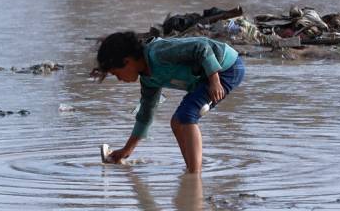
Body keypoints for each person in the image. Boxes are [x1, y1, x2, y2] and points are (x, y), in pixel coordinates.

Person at [95, 31, 245, 174]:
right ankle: (191, 169)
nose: (119, 79)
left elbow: (201, 48)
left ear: (127, 61)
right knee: (176, 122)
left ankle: (195, 175)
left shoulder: (158, 53)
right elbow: (145, 115)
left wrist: (214, 81)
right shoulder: (148, 80)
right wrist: (127, 150)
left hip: (226, 68)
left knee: (187, 115)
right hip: (206, 78)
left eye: (116, 74)